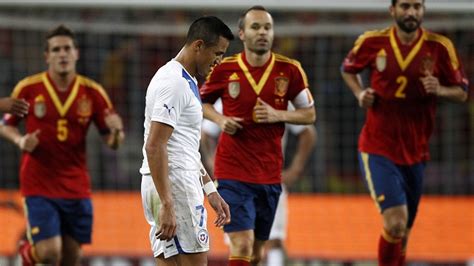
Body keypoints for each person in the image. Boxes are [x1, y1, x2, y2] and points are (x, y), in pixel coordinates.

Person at [340, 0, 469, 265]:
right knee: (396, 223)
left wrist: (440, 89)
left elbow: (462, 92)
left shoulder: (439, 47)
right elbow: (348, 70)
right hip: (378, 147)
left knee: (404, 233)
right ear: (393, 10)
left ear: (423, 10)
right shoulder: (372, 42)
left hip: (416, 152)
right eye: (405, 6)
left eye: (416, 7)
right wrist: (360, 93)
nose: (411, 12)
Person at [200, 6, 316, 265]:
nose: (262, 32)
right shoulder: (224, 69)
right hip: (232, 173)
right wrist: (220, 119)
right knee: (242, 244)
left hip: (269, 174)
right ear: (241, 33)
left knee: (257, 253)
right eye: (255, 27)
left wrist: (278, 114)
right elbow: (200, 103)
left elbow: (309, 115)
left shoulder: (290, 71)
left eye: (267, 27)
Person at [0, 25, 125, 265]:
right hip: (39, 184)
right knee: (49, 253)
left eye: (67, 48)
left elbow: (113, 143)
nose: (62, 54)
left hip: (76, 185)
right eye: (56, 49)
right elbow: (6, 124)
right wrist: (20, 140)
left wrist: (117, 131)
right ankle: (27, 251)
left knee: (72, 257)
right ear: (47, 56)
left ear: (76, 53)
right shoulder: (29, 88)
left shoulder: (93, 93)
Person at [139, 16, 234, 266]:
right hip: (175, 187)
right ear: (199, 45)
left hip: (170, 183)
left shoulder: (185, 80)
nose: (219, 61)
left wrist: (210, 190)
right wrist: (168, 202)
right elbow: (154, 145)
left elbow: (184, 147)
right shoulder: (174, 83)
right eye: (218, 53)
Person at [200, 101, 316, 266]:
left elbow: (308, 133)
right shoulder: (229, 94)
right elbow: (206, 133)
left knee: (272, 239)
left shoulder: (281, 97)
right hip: (235, 181)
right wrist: (213, 164)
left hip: (269, 180)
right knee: (240, 241)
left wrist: (295, 169)